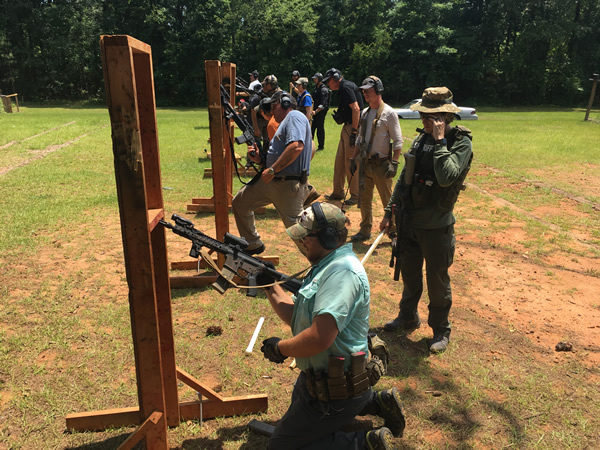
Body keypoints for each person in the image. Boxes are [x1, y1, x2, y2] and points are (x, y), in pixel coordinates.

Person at [260, 202, 406, 449]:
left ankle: (364, 443)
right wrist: (270, 286)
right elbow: (299, 315)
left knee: (281, 446)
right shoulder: (325, 265)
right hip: (324, 379)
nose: (302, 242)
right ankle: (374, 402)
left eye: (307, 237)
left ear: (328, 237)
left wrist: (281, 348)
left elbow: (319, 338)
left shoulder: (341, 274)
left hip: (338, 389)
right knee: (298, 419)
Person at [380, 87, 473, 354]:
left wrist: (441, 141)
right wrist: (390, 211)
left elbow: (446, 176)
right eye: (423, 114)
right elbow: (403, 179)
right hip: (409, 220)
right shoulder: (420, 139)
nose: (424, 120)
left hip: (436, 225)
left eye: (430, 116)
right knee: (409, 273)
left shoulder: (460, 142)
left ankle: (441, 330)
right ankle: (407, 316)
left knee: (437, 279)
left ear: (444, 116)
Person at [232, 91, 312, 256]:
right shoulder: (284, 123)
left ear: (283, 104)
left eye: (274, 105)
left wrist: (273, 169)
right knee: (240, 203)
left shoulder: (294, 116)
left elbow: (297, 146)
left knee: (298, 231)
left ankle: (323, 263)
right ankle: (253, 244)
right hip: (273, 181)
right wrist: (260, 161)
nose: (272, 110)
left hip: (286, 183)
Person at [350, 76, 403, 243]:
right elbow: (359, 139)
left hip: (381, 165)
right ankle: (365, 229)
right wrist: (353, 158)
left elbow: (398, 141)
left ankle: (394, 231)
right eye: (364, 91)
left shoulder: (389, 113)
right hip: (366, 163)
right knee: (364, 199)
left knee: (388, 200)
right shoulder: (365, 113)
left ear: (378, 91)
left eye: (368, 91)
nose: (365, 94)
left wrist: (394, 163)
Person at [322, 68, 364, 206]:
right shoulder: (345, 87)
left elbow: (356, 109)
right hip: (347, 126)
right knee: (340, 161)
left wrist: (354, 132)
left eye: (329, 81)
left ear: (335, 78)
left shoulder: (345, 87)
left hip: (352, 126)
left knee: (350, 161)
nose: (328, 84)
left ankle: (356, 195)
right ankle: (338, 192)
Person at [311, 72, 329, 151]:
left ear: (319, 79)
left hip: (320, 113)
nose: (314, 80)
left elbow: (323, 104)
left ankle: (321, 146)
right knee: (311, 128)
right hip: (314, 112)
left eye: (315, 78)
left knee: (320, 129)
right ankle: (310, 145)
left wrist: (316, 111)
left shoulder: (324, 90)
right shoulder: (316, 89)